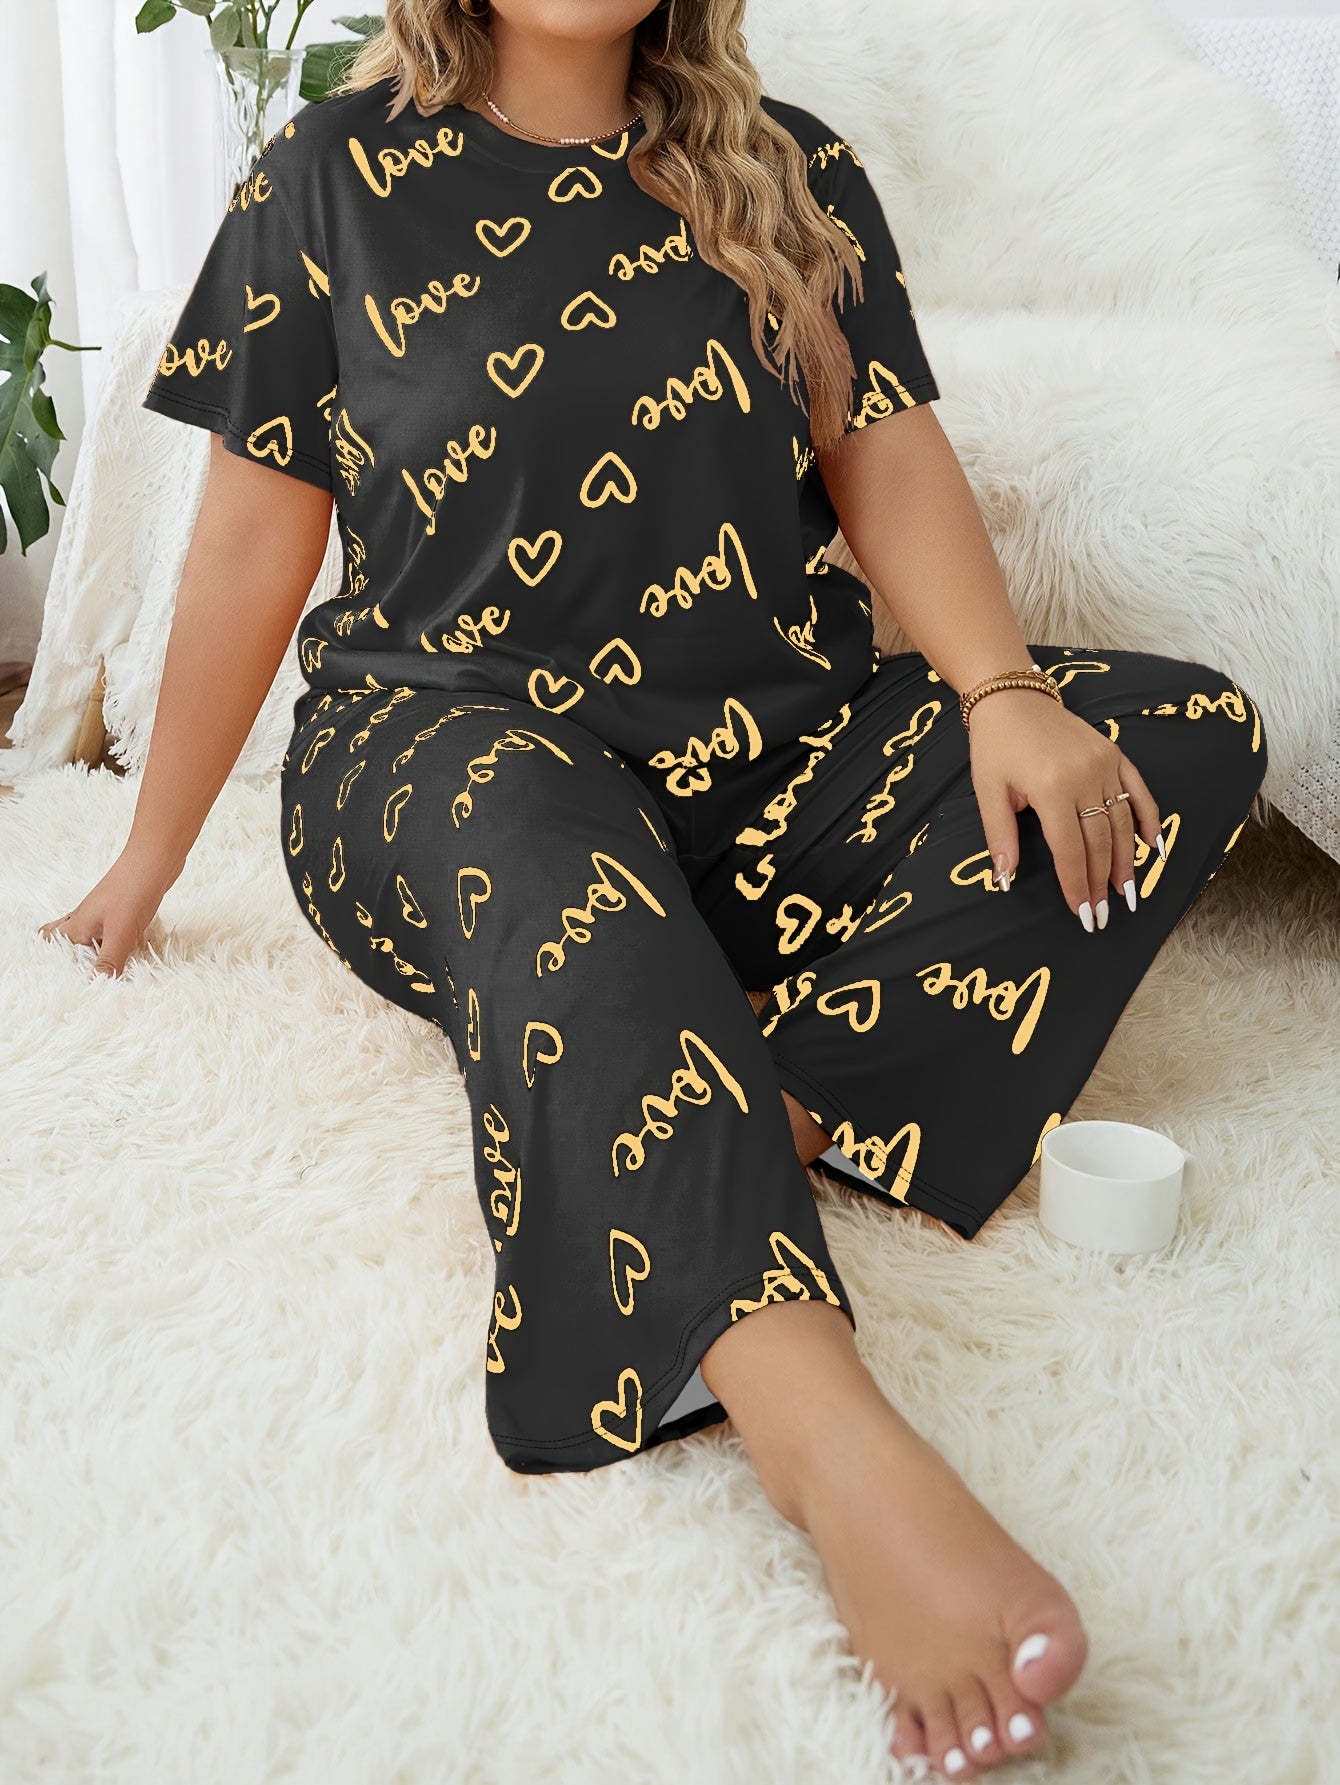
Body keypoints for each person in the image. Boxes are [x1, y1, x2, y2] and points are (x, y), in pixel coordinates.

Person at [41, 0, 1269, 1775]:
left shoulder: (791, 171)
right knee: (554, 852)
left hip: (774, 759)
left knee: (1171, 735)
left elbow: (886, 453)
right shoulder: (329, 177)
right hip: (453, 757)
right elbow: (250, 533)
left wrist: (1005, 695)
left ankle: (755, 1096)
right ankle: (819, 1427)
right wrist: (148, 858)